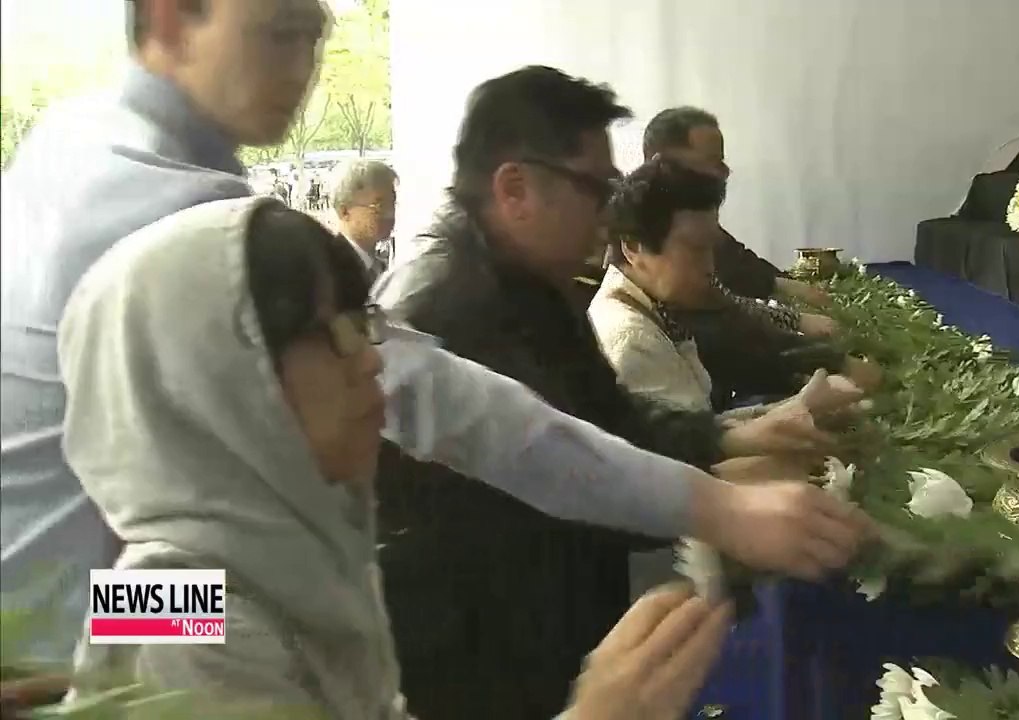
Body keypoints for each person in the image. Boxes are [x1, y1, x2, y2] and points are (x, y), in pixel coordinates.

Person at [57, 195, 764, 719]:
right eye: (329, 333)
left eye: (363, 324)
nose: (370, 362)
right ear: (211, 382)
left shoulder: (301, 551)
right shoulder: (163, 611)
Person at [372, 66, 875, 719]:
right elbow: (554, 471)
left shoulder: (515, 282)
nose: (611, 215)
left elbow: (576, 434)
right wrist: (725, 512)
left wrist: (730, 440)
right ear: (515, 188)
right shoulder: (448, 308)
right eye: (596, 189)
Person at [0, 0, 331, 668]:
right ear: (172, 22)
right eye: (279, 33)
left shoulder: (68, 132)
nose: (303, 68)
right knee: (298, 630)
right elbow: (413, 391)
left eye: (314, 37)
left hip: (43, 602)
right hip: (74, 638)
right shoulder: (182, 205)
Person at [639, 107, 884, 403]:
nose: (725, 171)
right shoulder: (650, 241)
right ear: (661, 163)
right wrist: (819, 363)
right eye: (712, 161)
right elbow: (717, 331)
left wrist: (789, 301)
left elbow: (727, 290)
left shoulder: (685, 223)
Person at [331, 158, 398, 281]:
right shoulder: (329, 271)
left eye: (392, 203)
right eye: (380, 205)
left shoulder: (382, 268)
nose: (390, 214)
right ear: (344, 211)